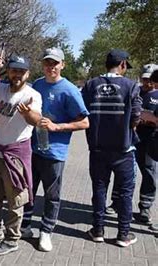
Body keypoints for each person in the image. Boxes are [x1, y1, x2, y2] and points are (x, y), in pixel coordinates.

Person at [20, 47, 89, 252]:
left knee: (52, 195)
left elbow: (85, 122)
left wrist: (57, 127)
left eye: (55, 63)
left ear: (62, 65)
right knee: (28, 190)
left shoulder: (69, 90)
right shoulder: (38, 84)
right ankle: (25, 225)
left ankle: (46, 230)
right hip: (32, 148)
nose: (51, 67)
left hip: (54, 152)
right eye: (47, 63)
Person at [0, 54, 42, 256]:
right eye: (14, 70)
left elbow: (36, 120)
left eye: (21, 71)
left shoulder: (32, 95)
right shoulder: (1, 88)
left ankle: (12, 239)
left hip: (16, 153)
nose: (17, 74)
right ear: (9, 71)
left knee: (15, 200)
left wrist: (28, 113)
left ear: (27, 73)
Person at [82, 49, 141, 247]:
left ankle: (97, 230)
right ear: (123, 64)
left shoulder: (90, 85)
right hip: (123, 150)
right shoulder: (131, 85)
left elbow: (83, 113)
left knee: (99, 189)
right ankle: (123, 235)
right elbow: (136, 117)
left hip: (97, 148)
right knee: (125, 192)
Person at [133, 64, 158, 224]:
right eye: (144, 79)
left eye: (150, 79)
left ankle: (145, 207)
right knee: (127, 171)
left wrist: (148, 119)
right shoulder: (136, 92)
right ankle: (116, 203)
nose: (147, 82)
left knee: (149, 172)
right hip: (134, 137)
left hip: (152, 139)